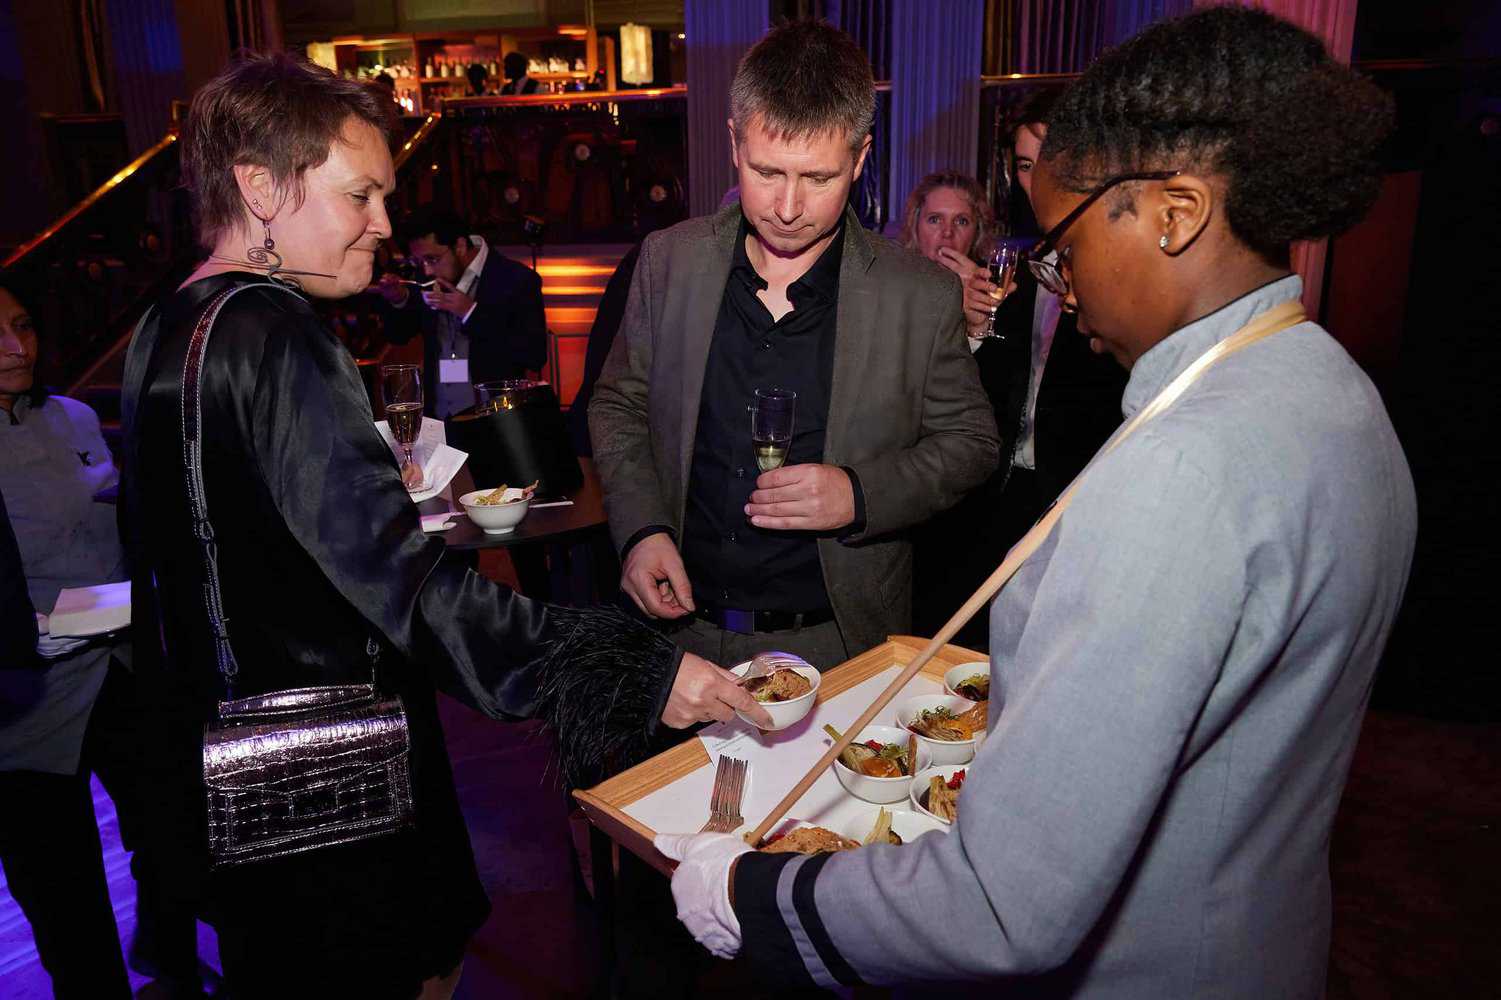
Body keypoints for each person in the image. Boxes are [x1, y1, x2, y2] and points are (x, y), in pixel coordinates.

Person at [657, 8, 1416, 997]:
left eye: (1062, 242)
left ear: (1173, 213)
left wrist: (752, 897)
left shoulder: (1176, 474)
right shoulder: (1335, 393)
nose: (1060, 279)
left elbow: (1003, 902)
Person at [121, 53, 769, 999]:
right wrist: (637, 670)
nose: (385, 226)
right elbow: (406, 585)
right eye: (360, 195)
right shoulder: (281, 339)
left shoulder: (167, 325)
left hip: (224, 785)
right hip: (336, 796)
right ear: (260, 187)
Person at [589, 20, 999, 674]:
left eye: (816, 178)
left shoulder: (916, 294)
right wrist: (641, 533)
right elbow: (617, 407)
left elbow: (972, 442)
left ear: (861, 159)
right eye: (765, 172)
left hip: (838, 645)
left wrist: (860, 495)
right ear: (732, 142)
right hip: (677, 645)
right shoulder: (669, 262)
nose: (786, 206)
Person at [0, 275, 202, 998]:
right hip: (26, 704)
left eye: (23, 325)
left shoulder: (74, 416)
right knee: (65, 894)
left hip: (120, 668)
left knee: (176, 836)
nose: (14, 347)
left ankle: (170, 966)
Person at [376, 206, 547, 419]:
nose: (427, 270)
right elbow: (399, 335)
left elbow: (534, 355)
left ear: (459, 246)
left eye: (432, 259)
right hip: (439, 419)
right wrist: (398, 300)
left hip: (495, 420)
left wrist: (470, 312)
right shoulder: (425, 276)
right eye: (420, 262)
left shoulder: (517, 279)